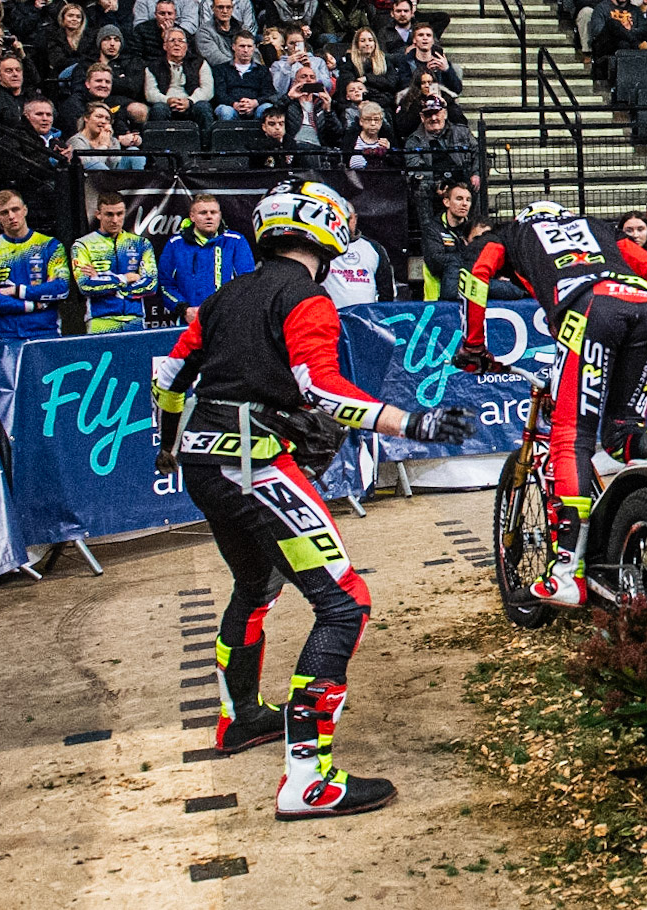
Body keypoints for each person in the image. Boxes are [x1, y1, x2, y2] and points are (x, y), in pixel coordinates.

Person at [152, 179, 473, 819]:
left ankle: (241, 718)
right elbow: (323, 392)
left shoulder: (220, 298)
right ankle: (308, 778)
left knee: (256, 587)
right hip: (256, 464)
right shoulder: (308, 298)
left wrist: (168, 442)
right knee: (343, 602)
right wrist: (413, 423)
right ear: (329, 234)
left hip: (204, 464)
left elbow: (165, 377)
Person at [454, 199, 647, 606]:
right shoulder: (598, 226)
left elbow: (476, 277)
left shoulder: (510, 234)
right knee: (621, 431)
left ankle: (566, 571)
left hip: (587, 312)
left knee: (571, 436)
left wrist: (473, 345)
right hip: (644, 308)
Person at [0, 189, 69, 340]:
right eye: (4, 212)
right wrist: (31, 305)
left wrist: (18, 291)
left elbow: (61, 288)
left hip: (46, 332)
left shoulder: (50, 246)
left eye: (15, 209)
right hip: (6, 335)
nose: (11, 216)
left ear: (25, 210)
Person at [158, 194, 256, 323]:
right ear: (192, 216)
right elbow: (165, 284)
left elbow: (247, 283)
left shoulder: (236, 241)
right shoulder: (175, 244)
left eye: (213, 212)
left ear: (220, 215)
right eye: (203, 213)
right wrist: (184, 309)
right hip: (188, 323)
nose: (209, 216)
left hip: (227, 321)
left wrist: (227, 309)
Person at [71, 191, 157, 332]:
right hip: (101, 320)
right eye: (109, 214)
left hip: (134, 319)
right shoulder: (82, 245)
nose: (115, 220)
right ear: (98, 214)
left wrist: (102, 279)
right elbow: (85, 286)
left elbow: (151, 284)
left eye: (120, 214)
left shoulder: (141, 243)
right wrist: (124, 278)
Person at [404, 94, 479, 214]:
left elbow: (479, 154)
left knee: (476, 183)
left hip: (463, 183)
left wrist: (476, 174)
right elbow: (417, 169)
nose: (433, 118)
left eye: (437, 113)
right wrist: (437, 186)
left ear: (444, 113)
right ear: (422, 117)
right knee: (421, 188)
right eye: (429, 114)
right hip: (434, 189)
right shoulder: (413, 141)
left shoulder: (462, 132)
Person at [323, 200, 395, 306]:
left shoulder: (374, 248)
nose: (345, 223)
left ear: (355, 218)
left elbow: (386, 292)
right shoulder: (322, 246)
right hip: (330, 318)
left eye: (349, 218)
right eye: (341, 218)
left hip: (364, 320)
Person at [145, 27, 215, 133]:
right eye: (172, 40)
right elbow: (150, 93)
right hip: (166, 104)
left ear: (186, 46)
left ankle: (206, 146)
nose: (177, 44)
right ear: (165, 46)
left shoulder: (200, 63)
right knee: (158, 109)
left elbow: (208, 90)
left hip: (192, 102)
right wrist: (167, 100)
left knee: (203, 107)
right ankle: (160, 147)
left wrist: (190, 101)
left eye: (181, 41)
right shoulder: (153, 66)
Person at [75, 25, 148, 124]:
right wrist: (119, 81)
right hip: (91, 102)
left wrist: (101, 84)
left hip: (122, 103)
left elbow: (133, 88)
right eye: (107, 39)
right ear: (99, 42)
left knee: (139, 110)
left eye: (116, 40)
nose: (112, 44)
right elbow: (78, 88)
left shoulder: (131, 62)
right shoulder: (86, 63)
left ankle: (135, 137)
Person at [420, 181, 472, 301]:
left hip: (470, 298)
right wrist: (466, 255)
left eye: (468, 200)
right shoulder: (432, 229)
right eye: (459, 199)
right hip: (438, 301)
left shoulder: (474, 229)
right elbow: (435, 262)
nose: (464, 204)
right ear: (446, 202)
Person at [278, 62, 342, 148]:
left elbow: (337, 134)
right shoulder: (289, 103)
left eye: (312, 77)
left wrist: (328, 111)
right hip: (295, 148)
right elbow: (273, 116)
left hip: (319, 149)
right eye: (303, 77)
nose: (308, 80)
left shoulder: (321, 103)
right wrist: (288, 98)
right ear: (295, 82)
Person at [213, 30, 274, 121]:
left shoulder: (263, 70)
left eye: (249, 46)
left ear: (254, 48)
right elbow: (219, 93)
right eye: (242, 46)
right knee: (225, 110)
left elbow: (269, 93)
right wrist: (235, 104)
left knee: (267, 108)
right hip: (231, 107)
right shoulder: (221, 69)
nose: (246, 50)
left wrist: (254, 103)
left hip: (256, 107)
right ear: (233, 47)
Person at [67, 99, 146, 168]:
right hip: (88, 181)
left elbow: (113, 165)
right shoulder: (76, 140)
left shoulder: (112, 140)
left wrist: (109, 144)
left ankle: (143, 184)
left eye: (107, 119)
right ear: (86, 118)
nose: (103, 121)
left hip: (114, 179)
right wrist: (104, 146)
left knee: (134, 151)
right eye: (99, 117)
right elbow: (87, 165)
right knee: (97, 165)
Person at [400, 22, 461, 97]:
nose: (425, 38)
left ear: (432, 40)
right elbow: (403, 86)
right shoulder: (406, 62)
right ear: (414, 40)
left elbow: (457, 89)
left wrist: (447, 70)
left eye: (428, 35)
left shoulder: (441, 62)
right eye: (420, 35)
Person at [269, 28, 333, 96]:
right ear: (286, 46)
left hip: (315, 98)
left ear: (304, 44)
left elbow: (328, 86)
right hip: (291, 100)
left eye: (299, 43)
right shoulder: (278, 65)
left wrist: (310, 69)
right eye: (291, 43)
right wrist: (287, 66)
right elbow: (279, 91)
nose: (295, 47)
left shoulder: (318, 61)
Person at [44, 2, 91, 78]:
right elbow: (58, 61)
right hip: (60, 76)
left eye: (78, 17)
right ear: (63, 18)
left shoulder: (89, 37)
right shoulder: (54, 37)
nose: (74, 19)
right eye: (70, 16)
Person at [193, 0, 243, 67]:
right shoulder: (204, 32)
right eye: (220, 7)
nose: (225, 11)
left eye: (228, 7)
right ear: (212, 8)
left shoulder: (242, 28)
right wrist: (241, 67)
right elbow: (216, 59)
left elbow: (254, 54)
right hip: (222, 73)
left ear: (232, 8)